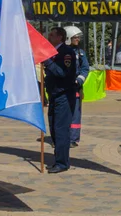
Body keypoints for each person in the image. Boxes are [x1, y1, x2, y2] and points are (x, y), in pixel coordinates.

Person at [43, 27, 77, 174]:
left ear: (60, 37)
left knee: (61, 130)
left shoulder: (66, 52)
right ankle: (59, 159)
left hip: (64, 95)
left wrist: (48, 63)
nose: (49, 37)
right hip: (54, 95)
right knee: (53, 129)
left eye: (52, 35)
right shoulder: (52, 52)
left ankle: (62, 163)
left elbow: (63, 73)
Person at [64, 26, 90, 148]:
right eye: (75, 37)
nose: (78, 39)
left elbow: (85, 68)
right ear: (68, 38)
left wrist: (79, 80)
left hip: (76, 87)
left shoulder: (81, 53)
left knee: (75, 114)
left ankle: (73, 138)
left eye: (78, 37)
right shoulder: (61, 52)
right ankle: (61, 137)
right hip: (63, 88)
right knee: (63, 114)